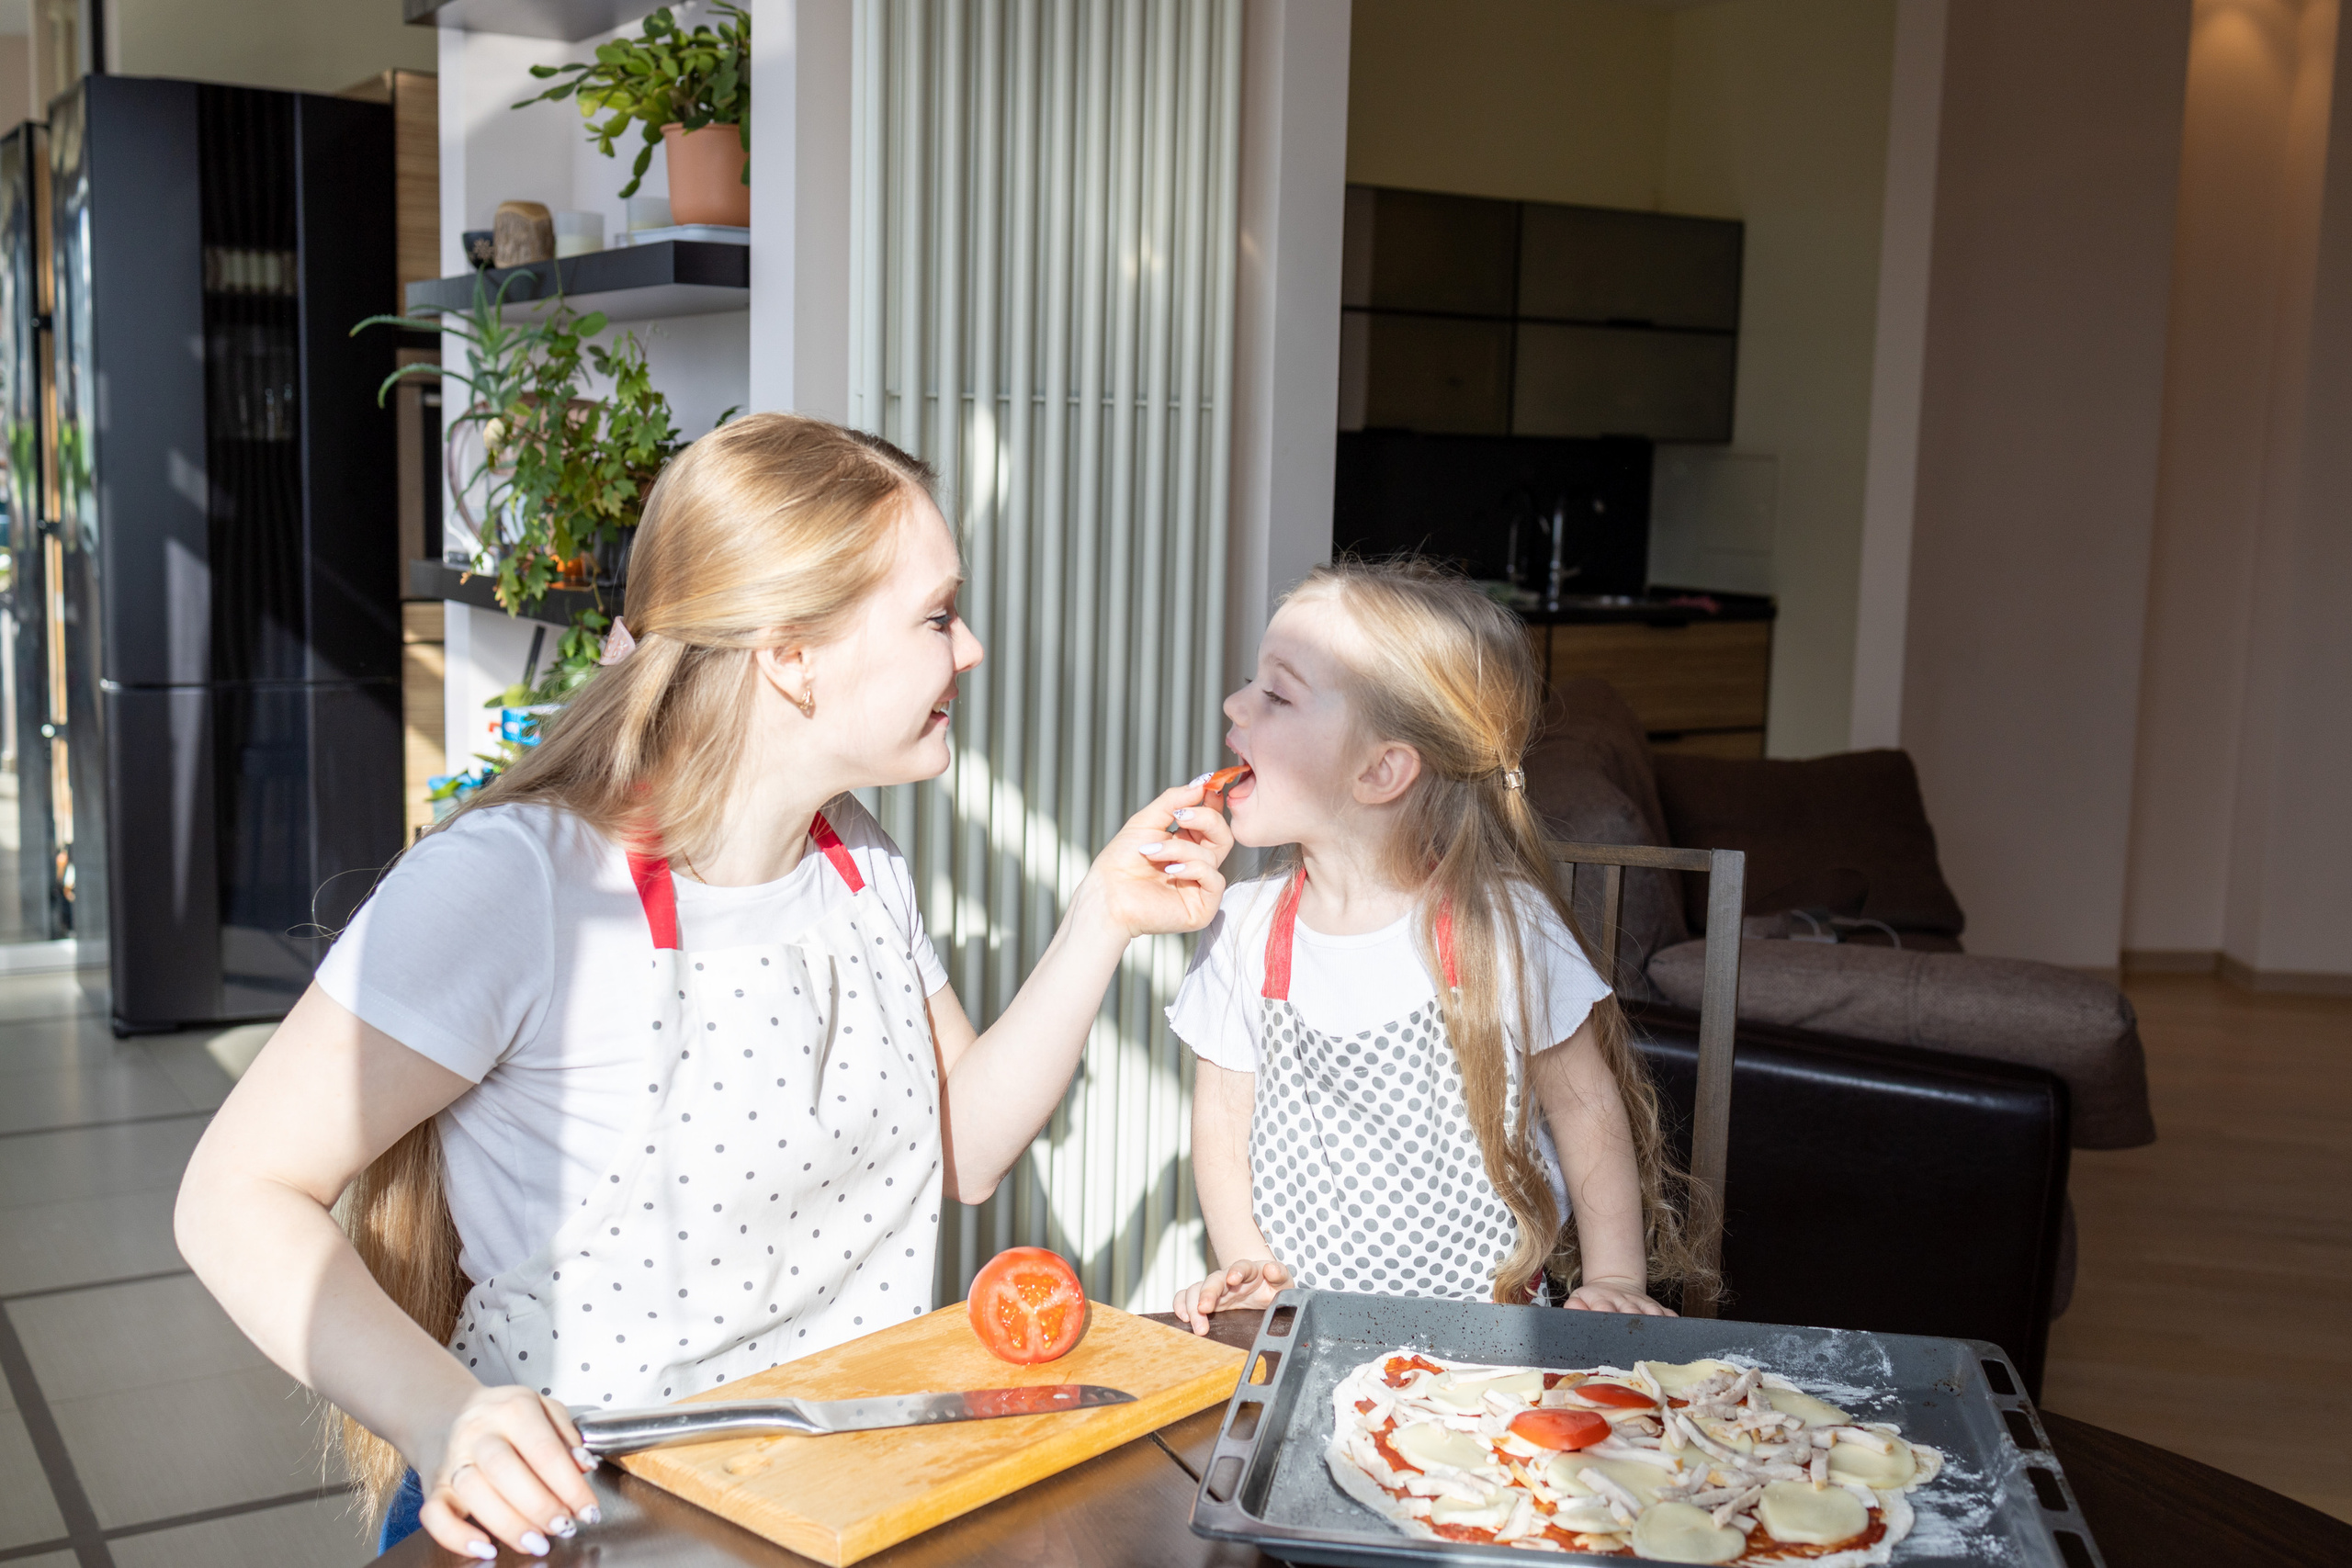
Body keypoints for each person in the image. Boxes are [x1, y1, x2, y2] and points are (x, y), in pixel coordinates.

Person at [174, 414, 1233, 1562]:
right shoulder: (519, 887)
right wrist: (448, 1418)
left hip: (820, 1504)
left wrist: (1103, 919)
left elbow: (963, 1149)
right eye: (936, 616)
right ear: (788, 654)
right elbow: (233, 1193)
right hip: (585, 1516)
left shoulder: (858, 860)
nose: (968, 648)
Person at [1167, 558, 1710, 1328]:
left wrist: (1616, 1274)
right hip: (1310, 1336)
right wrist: (1244, 1265)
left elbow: (1587, 1108)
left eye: (1277, 694)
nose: (1234, 703)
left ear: (1382, 768)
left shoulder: (1504, 927)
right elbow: (1221, 1124)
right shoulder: (1243, 928)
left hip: (1489, 1344)